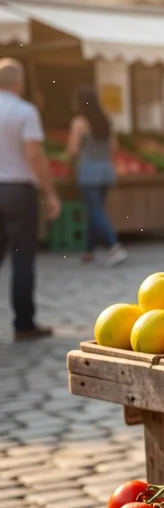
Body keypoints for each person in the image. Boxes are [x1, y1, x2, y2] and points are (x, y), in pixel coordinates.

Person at [0, 59, 61, 340]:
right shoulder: (25, 111)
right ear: (20, 83)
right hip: (18, 190)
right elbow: (34, 155)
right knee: (22, 257)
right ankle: (24, 324)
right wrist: (49, 192)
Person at [65, 87, 125, 266]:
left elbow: (73, 149)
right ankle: (89, 251)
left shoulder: (79, 122)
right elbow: (114, 147)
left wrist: (68, 159)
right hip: (106, 171)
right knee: (96, 210)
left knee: (95, 211)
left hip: (88, 172)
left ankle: (114, 246)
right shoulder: (106, 120)